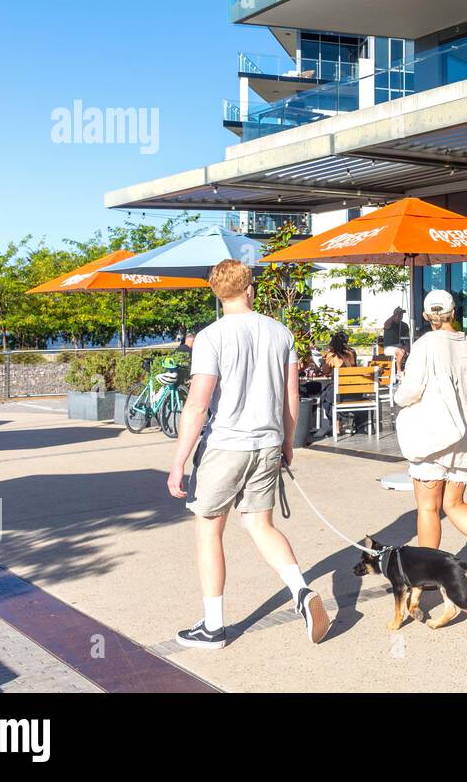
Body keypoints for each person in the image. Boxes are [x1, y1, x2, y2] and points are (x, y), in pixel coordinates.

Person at [167, 258, 330, 650]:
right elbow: (291, 396)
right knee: (260, 525)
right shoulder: (281, 333)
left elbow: (197, 405)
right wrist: (288, 442)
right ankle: (302, 592)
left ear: (216, 293)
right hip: (268, 443)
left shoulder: (211, 337)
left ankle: (213, 626)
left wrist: (178, 462)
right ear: (249, 289)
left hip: (226, 444)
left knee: (209, 530)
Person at [395, 289, 467, 586]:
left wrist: (398, 392)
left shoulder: (424, 345)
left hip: (434, 435)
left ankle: (426, 574)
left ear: (425, 316)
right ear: (454, 313)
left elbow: (410, 392)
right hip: (465, 435)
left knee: (428, 507)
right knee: (455, 503)